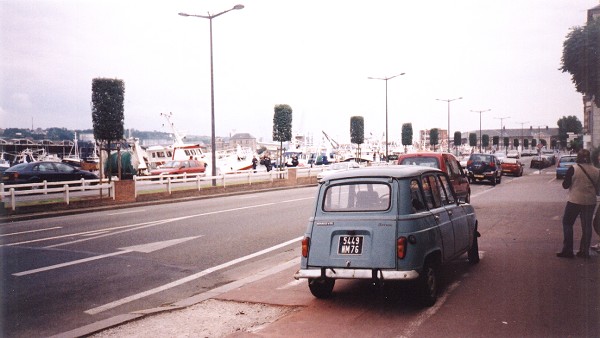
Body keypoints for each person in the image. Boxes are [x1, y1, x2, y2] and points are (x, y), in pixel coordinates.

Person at [557, 149, 600, 259]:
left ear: (578, 158)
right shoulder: (597, 171)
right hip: (590, 202)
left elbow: (565, 185)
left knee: (567, 223)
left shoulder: (573, 169)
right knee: (587, 226)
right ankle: (584, 252)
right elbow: (599, 190)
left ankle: (568, 251)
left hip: (574, 201)